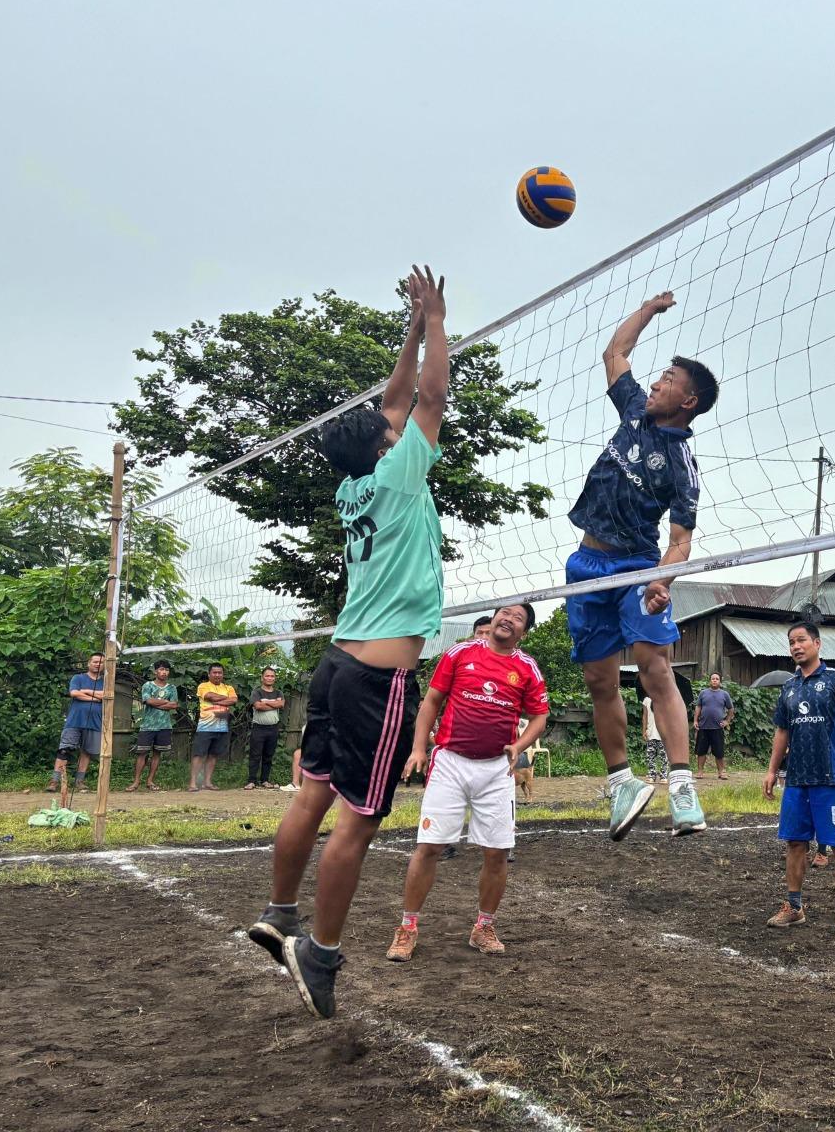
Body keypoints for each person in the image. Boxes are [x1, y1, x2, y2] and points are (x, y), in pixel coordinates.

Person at [248, 264, 451, 1020]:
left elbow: (396, 402)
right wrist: (435, 319)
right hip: (376, 678)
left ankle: (280, 911)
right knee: (359, 820)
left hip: (337, 664)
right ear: (387, 446)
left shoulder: (354, 483)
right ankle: (320, 952)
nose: (396, 421)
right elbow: (426, 396)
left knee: (311, 793)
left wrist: (408, 328)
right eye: (392, 429)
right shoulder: (401, 477)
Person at [565, 290, 717, 840]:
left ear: (689, 400)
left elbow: (680, 540)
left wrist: (660, 579)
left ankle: (681, 786)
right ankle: (622, 783)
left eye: (668, 378)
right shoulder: (634, 408)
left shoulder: (683, 466)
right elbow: (615, 354)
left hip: (634, 567)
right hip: (585, 564)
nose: (655, 381)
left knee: (655, 666)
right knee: (598, 679)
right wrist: (649, 310)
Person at [386, 603, 548, 962]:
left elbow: (540, 716)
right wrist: (417, 749)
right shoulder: (459, 654)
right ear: (492, 620)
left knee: (497, 852)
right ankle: (408, 927)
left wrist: (519, 745)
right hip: (450, 763)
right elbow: (431, 702)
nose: (507, 618)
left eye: (517, 617)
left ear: (524, 631)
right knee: (430, 845)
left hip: (496, 770)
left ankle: (483, 927)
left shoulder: (527, 668)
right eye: (503, 612)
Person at [763, 622, 835, 934]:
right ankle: (794, 906)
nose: (796, 646)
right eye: (792, 642)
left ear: (817, 644)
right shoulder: (789, 688)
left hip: (830, 777)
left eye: (802, 640)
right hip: (796, 779)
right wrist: (771, 770)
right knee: (795, 843)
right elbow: (782, 731)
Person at [50, 653, 105, 794]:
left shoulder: (106, 681)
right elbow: (74, 693)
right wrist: (96, 698)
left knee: (87, 752)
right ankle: (55, 781)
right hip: (75, 720)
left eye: (101, 662)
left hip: (95, 722)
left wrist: (86, 691)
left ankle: (79, 781)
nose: (97, 664)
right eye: (95, 661)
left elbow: (106, 695)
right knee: (64, 750)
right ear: (89, 663)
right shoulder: (78, 678)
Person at [129, 660, 179, 792]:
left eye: (167, 670)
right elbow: (148, 700)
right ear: (155, 671)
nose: (164, 672)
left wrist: (156, 703)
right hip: (148, 725)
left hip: (164, 726)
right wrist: (165, 703)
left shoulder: (172, 688)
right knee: (142, 753)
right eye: (161, 669)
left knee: (157, 754)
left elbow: (174, 705)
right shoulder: (148, 685)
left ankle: (150, 781)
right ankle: (136, 782)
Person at [190, 663, 238, 792]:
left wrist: (217, 700)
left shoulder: (228, 687)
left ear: (223, 674)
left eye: (220, 673)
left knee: (213, 755)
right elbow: (209, 696)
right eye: (214, 672)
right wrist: (225, 699)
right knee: (199, 755)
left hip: (222, 726)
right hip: (205, 726)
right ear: (209, 674)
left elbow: (233, 700)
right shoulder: (203, 686)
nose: (217, 675)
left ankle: (207, 782)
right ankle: (193, 783)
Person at [245, 666, 286, 790]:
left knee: (269, 755)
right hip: (259, 728)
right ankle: (252, 781)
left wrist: (265, 702)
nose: (270, 678)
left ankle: (265, 780)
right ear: (262, 678)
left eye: (272, 676)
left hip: (273, 728)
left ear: (275, 678)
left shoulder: (279, 692)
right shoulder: (256, 692)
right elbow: (258, 706)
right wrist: (274, 704)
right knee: (255, 755)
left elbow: (281, 704)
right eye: (267, 676)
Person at [694, 672, 734, 779]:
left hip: (717, 728)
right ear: (710, 681)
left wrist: (727, 721)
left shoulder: (724, 694)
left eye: (717, 679)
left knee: (719, 751)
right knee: (701, 751)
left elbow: (731, 709)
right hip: (703, 726)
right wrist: (695, 721)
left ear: (720, 681)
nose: (715, 680)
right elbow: (698, 707)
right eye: (713, 678)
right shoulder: (703, 693)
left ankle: (721, 772)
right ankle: (700, 772)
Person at [640, 694, 667, 782]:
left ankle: (664, 776)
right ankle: (651, 775)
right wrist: (644, 730)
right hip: (651, 732)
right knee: (650, 755)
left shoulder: (664, 698)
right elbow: (645, 716)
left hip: (663, 733)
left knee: (664, 756)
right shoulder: (646, 699)